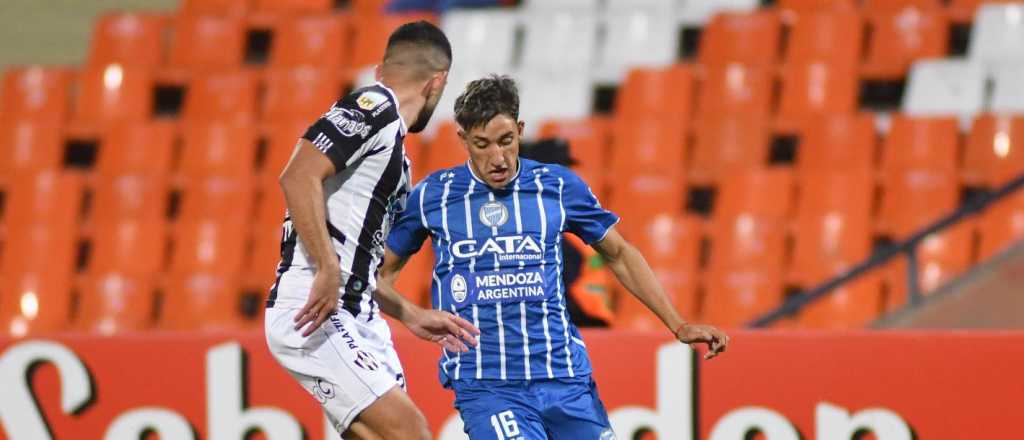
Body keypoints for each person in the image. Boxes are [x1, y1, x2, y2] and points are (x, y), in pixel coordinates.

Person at [377, 75, 729, 439]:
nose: (497, 158)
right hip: (487, 385)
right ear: (463, 140)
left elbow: (620, 254)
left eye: (506, 140)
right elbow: (376, 275)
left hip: (564, 377)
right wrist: (410, 314)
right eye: (482, 144)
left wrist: (678, 324)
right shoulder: (434, 195)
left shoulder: (558, 186)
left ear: (520, 130)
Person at [264, 21, 479, 440]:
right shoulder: (374, 107)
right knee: (411, 432)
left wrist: (410, 313)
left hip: (359, 313)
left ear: (382, 69)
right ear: (437, 82)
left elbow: (360, 265)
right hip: (317, 307)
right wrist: (327, 266)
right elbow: (297, 175)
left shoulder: (394, 152)